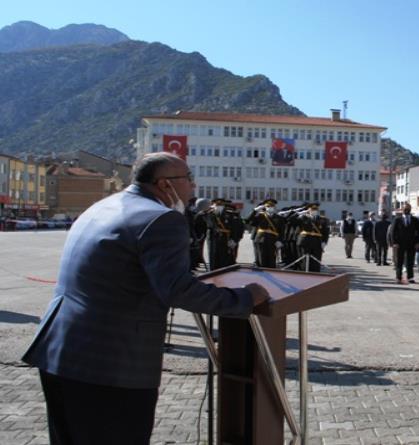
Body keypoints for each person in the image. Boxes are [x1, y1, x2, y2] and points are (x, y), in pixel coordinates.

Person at [21, 152, 270, 445]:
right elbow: (177, 290)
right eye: (188, 179)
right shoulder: (162, 219)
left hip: (61, 352)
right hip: (110, 365)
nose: (193, 186)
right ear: (165, 184)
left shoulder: (103, 206)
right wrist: (244, 298)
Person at [244, 198, 285, 268]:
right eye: (268, 206)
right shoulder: (260, 216)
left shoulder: (279, 218)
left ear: (275, 207)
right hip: (261, 240)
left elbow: (282, 231)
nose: (270, 208)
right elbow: (247, 221)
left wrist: (280, 240)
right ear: (265, 207)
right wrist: (254, 210)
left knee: (271, 260)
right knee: (261, 259)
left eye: (272, 206)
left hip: (273, 241)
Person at [205, 198, 244, 270]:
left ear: (224, 205)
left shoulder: (230, 214)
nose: (219, 206)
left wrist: (234, 239)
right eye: (217, 204)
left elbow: (235, 228)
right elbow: (208, 224)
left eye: (221, 205)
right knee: (213, 258)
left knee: (225, 259)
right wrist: (209, 211)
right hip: (213, 239)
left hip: (226, 239)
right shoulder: (209, 213)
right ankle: (213, 274)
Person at [295, 202, 330, 272]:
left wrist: (324, 242)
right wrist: (299, 213)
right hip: (304, 242)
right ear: (308, 210)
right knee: (304, 261)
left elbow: (326, 232)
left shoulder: (323, 220)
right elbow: (290, 221)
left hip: (317, 242)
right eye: (312, 209)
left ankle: (315, 276)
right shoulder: (303, 218)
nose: (314, 211)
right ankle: (303, 276)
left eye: (316, 209)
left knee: (316, 262)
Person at [391, 203, 419, 284]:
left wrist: (417, 242)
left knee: (410, 261)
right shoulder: (397, 219)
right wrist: (394, 243)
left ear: (410, 210)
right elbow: (393, 232)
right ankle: (398, 277)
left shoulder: (415, 220)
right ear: (402, 210)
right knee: (399, 261)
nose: (406, 210)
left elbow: (418, 232)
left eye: (408, 209)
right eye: (405, 209)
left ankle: (410, 277)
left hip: (411, 243)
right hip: (400, 244)